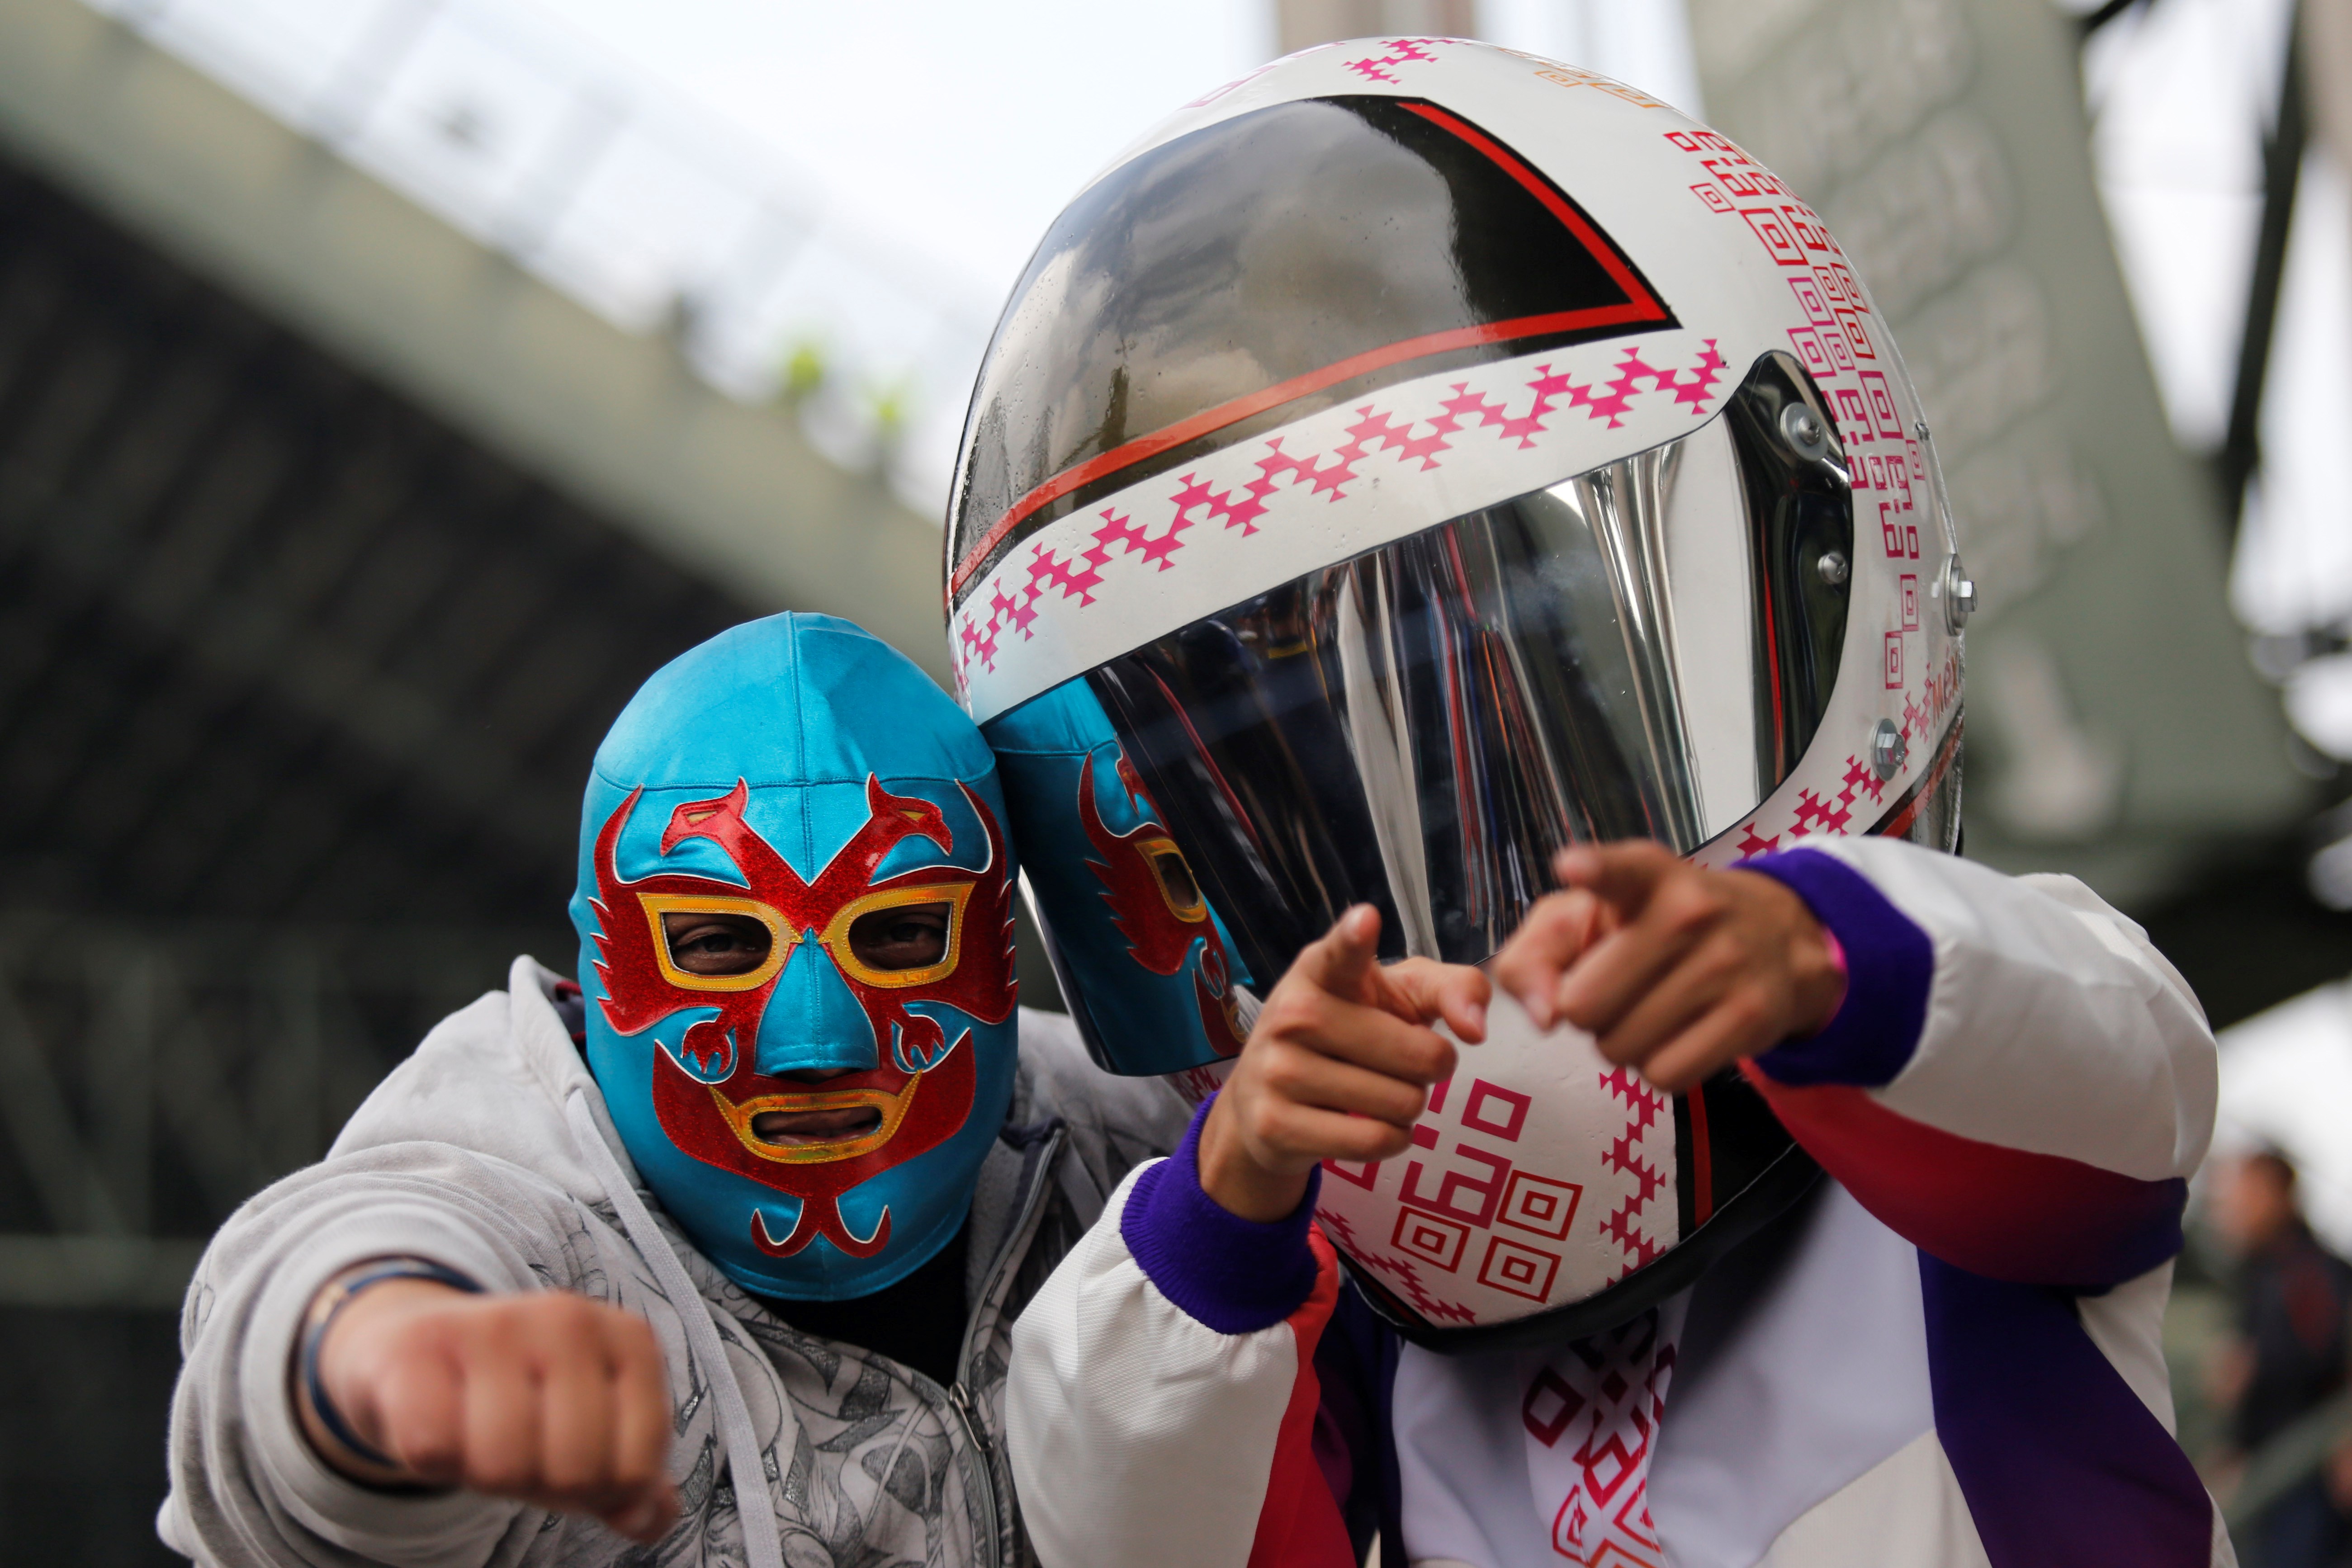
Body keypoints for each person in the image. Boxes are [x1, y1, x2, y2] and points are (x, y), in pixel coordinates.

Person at [938, 39, 2229, 1568]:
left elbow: (2105, 1048)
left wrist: (1818, 953)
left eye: (1536, 742)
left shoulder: (1961, 1152)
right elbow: (1127, 1525)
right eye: (1277, 826)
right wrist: (1226, 1205)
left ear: (1828, 559)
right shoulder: (1319, 1291)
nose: (1411, 904)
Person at [158, 612, 1190, 1568]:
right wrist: (385, 1361)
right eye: (717, 943)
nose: (817, 1039)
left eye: (902, 933)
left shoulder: (1127, 1140)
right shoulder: (518, 1184)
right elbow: (329, 1271)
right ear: (601, 954)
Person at [2210, 1151, 2352, 1566]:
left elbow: (2320, 1363)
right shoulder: (2264, 1272)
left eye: (2245, 1193)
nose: (2233, 1207)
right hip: (2271, 1465)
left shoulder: (2312, 1271)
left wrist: (2247, 1368)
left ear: (2276, 1194)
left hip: (2309, 1470)